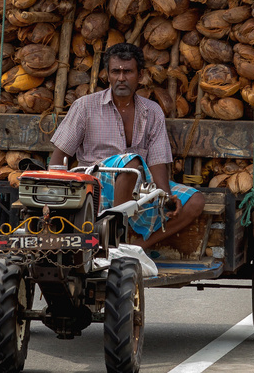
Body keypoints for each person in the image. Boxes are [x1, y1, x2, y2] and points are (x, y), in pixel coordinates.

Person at [48, 43, 205, 251]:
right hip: (95, 186)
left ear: (140, 76)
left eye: (128, 71)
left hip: (139, 185)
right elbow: (59, 157)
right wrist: (51, 197)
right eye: (116, 72)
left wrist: (166, 197)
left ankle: (136, 247)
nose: (121, 78)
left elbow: (158, 161)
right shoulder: (85, 106)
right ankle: (113, 240)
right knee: (130, 161)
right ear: (108, 75)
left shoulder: (152, 111)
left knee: (195, 201)